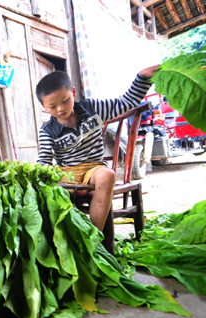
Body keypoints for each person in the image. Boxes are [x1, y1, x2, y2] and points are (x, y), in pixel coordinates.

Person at [35, 66, 159, 231]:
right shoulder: (47, 130)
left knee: (107, 175)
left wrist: (142, 78)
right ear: (44, 107)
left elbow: (126, 102)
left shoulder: (93, 108)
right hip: (66, 173)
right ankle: (66, 237)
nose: (61, 109)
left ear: (73, 92)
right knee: (51, 190)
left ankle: (95, 238)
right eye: (52, 106)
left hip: (94, 169)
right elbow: (44, 160)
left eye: (65, 100)